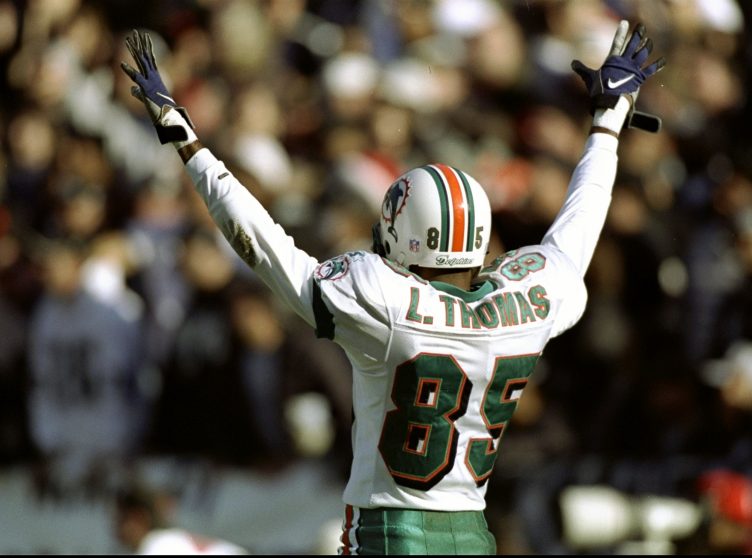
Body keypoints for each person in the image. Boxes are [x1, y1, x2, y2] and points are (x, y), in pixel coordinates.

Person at [120, 19, 665, 555]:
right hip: (472, 536)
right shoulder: (532, 301)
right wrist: (607, 125)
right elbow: (580, 224)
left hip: (388, 535)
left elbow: (263, 248)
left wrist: (191, 149)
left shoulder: (383, 301)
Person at [113, 483, 249, 555]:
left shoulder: (158, 546)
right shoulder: (169, 541)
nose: (115, 530)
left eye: (121, 520)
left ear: (138, 517)